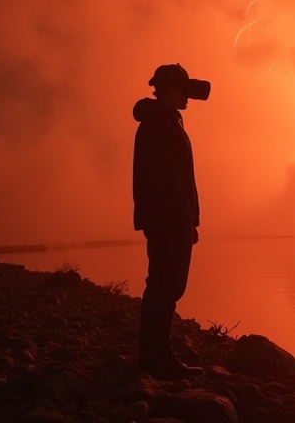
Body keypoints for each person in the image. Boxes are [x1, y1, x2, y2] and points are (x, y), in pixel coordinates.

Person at [131, 63, 210, 378]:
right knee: (166, 286)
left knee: (165, 286)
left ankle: (153, 354)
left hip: (171, 218)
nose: (190, 95)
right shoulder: (159, 124)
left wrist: (190, 219)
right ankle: (156, 357)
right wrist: (183, 217)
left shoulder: (164, 121)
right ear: (170, 89)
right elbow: (167, 178)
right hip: (168, 220)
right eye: (185, 88)